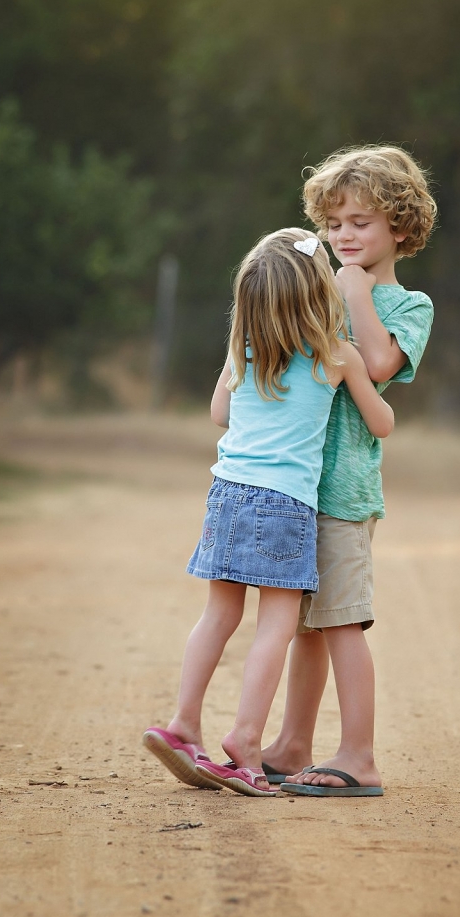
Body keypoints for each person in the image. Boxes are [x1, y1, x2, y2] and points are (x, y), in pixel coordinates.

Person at [143, 227, 394, 796]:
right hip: (287, 504)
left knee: (218, 615)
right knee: (276, 627)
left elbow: (218, 413)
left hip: (227, 491)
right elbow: (381, 423)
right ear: (317, 293)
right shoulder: (335, 353)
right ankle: (247, 739)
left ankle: (183, 722)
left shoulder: (243, 348)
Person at [257, 146, 436, 797]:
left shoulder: (409, 306)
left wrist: (356, 291)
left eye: (360, 221)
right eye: (334, 224)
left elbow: (380, 366)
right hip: (292, 486)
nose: (344, 236)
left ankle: (358, 755)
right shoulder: (315, 294)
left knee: (341, 621)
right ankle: (291, 742)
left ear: (401, 228)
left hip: (343, 491)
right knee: (307, 625)